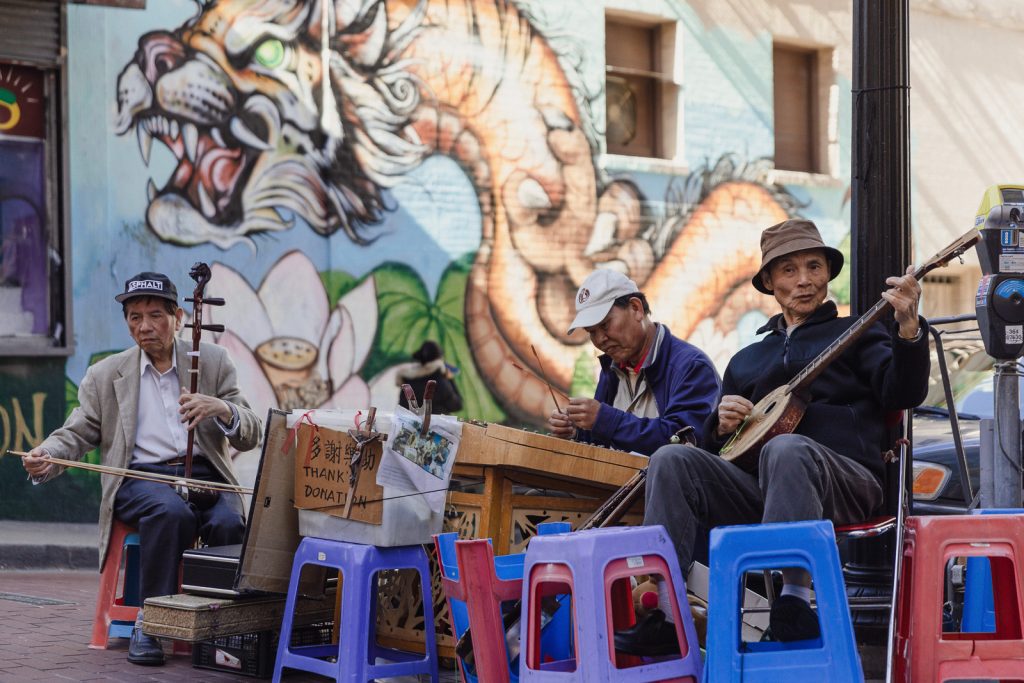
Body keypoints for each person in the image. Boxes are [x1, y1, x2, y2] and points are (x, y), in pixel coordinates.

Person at [614, 219, 929, 655]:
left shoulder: (858, 332)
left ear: (827, 275)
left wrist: (908, 330)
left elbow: (906, 393)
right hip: (764, 486)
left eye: (814, 267)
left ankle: (794, 599)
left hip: (845, 479)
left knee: (787, 448)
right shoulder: (747, 359)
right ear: (769, 282)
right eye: (789, 271)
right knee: (671, 459)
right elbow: (715, 452)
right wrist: (719, 424)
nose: (804, 281)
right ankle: (665, 610)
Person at [21, 272, 261, 666]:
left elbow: (250, 432)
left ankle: (223, 629)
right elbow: (78, 431)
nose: (144, 326)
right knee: (170, 512)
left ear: (179, 317)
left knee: (229, 523)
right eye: (134, 317)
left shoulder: (212, 362)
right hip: (141, 479)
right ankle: (150, 623)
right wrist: (45, 456)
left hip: (205, 474)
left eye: (154, 315)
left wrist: (223, 409)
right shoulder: (106, 374)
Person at [547, 269, 720, 455]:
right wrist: (577, 432)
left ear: (636, 308)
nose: (600, 339)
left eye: (605, 325)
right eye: (591, 332)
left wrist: (605, 420)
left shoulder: (691, 366)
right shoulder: (612, 370)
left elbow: (683, 443)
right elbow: (605, 443)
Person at [396, 340, 463, 414]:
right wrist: (451, 380)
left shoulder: (408, 381)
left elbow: (403, 408)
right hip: (434, 425)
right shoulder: (441, 383)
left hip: (409, 424)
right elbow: (457, 405)